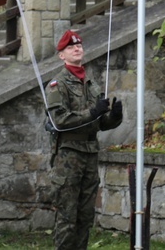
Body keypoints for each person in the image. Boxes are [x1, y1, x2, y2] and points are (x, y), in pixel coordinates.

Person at [45, 29, 123, 250]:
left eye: (79, 46)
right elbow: (60, 120)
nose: (77, 48)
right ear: (62, 55)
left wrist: (114, 116)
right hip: (69, 155)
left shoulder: (90, 83)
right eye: (71, 47)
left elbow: (100, 123)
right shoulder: (57, 84)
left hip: (90, 153)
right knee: (67, 217)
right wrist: (92, 112)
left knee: (85, 216)